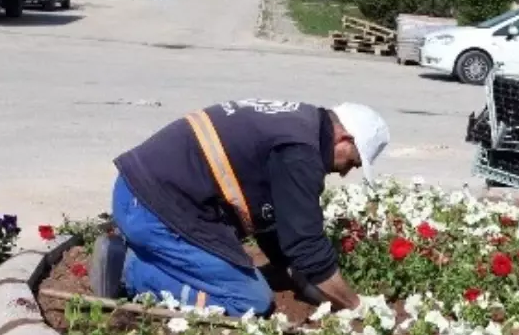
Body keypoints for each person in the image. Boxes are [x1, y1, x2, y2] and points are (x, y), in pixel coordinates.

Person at [97, 99, 389, 316]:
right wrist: (355, 305)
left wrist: (294, 272)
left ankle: (146, 254)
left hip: (140, 194)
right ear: (344, 138)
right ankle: (127, 269)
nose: (344, 172)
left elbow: (274, 218)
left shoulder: (298, 123)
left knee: (242, 276)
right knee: (248, 301)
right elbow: (306, 244)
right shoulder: (300, 153)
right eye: (352, 161)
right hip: (152, 211)